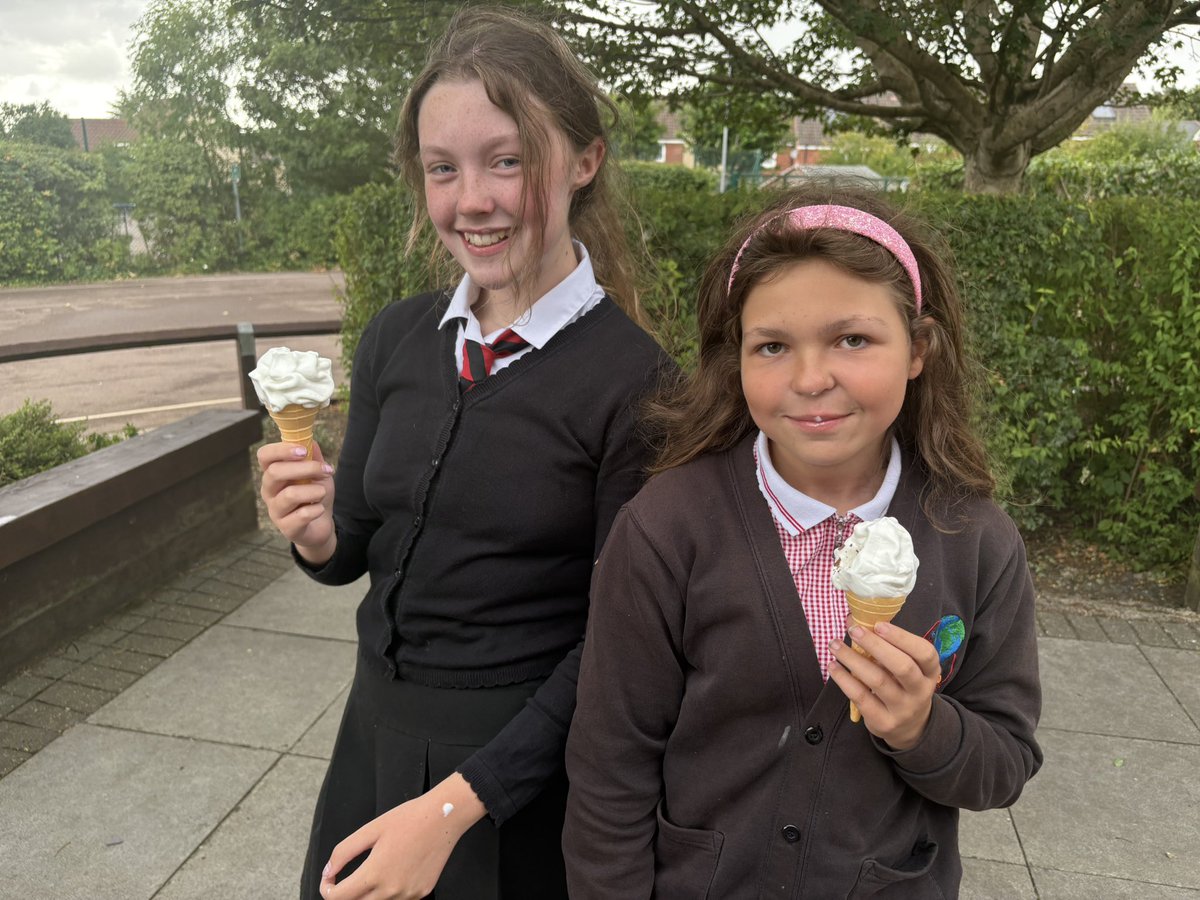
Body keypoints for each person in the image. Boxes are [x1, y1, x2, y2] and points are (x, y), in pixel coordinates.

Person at [256, 7, 672, 899]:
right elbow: (356, 547)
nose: (470, 200)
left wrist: (452, 808)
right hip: (372, 742)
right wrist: (316, 533)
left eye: (507, 160)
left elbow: (620, 653)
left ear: (586, 161)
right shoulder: (397, 340)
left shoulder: (639, 386)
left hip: (517, 785)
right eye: (443, 169)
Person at [563, 184, 1043, 898]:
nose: (812, 378)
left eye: (853, 339)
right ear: (738, 360)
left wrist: (923, 726)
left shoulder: (976, 542)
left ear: (918, 348)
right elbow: (611, 772)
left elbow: (1003, 763)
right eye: (773, 346)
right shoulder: (667, 530)